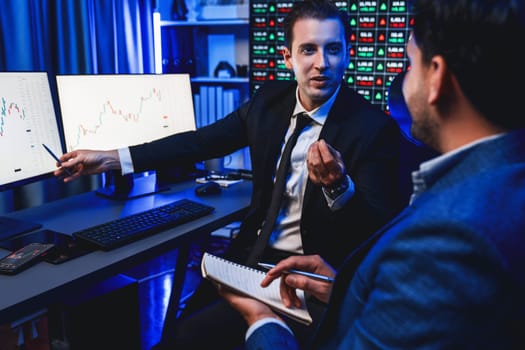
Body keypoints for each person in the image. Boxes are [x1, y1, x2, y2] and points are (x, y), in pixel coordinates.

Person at [54, 0, 403, 348]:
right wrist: (112, 159)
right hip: (250, 260)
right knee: (179, 338)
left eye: (333, 49)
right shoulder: (268, 101)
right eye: (308, 49)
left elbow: (376, 229)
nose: (321, 63)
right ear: (287, 57)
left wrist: (338, 187)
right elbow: (200, 143)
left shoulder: (372, 128)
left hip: (312, 279)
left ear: (347, 54)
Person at [217, 0, 525, 348]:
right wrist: (342, 289)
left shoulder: (448, 235)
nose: (402, 84)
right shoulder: (500, 180)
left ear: (435, 76)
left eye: (409, 65)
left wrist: (262, 321)